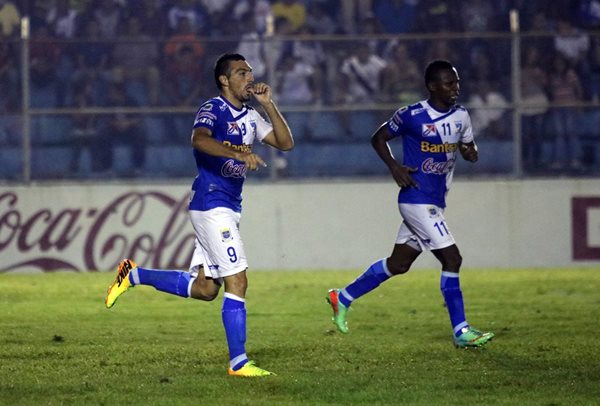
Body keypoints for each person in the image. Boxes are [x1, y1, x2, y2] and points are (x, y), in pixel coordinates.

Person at [105, 53, 294, 376]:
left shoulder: (250, 116)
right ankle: (239, 363)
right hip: (210, 205)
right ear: (225, 80)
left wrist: (268, 105)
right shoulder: (213, 109)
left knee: (207, 289)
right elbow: (199, 140)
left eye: (250, 72)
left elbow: (285, 143)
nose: (249, 77)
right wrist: (237, 151)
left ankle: (133, 274)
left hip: (229, 207)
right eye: (241, 73)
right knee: (238, 279)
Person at [326, 60, 494, 349]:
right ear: (432, 86)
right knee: (452, 259)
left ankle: (342, 297)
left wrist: (470, 151)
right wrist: (394, 167)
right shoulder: (412, 115)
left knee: (399, 264)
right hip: (416, 199)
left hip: (435, 200)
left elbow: (471, 151)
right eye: (449, 83)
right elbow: (378, 138)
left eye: (456, 82)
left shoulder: (462, 116)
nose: (456, 88)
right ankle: (461, 331)